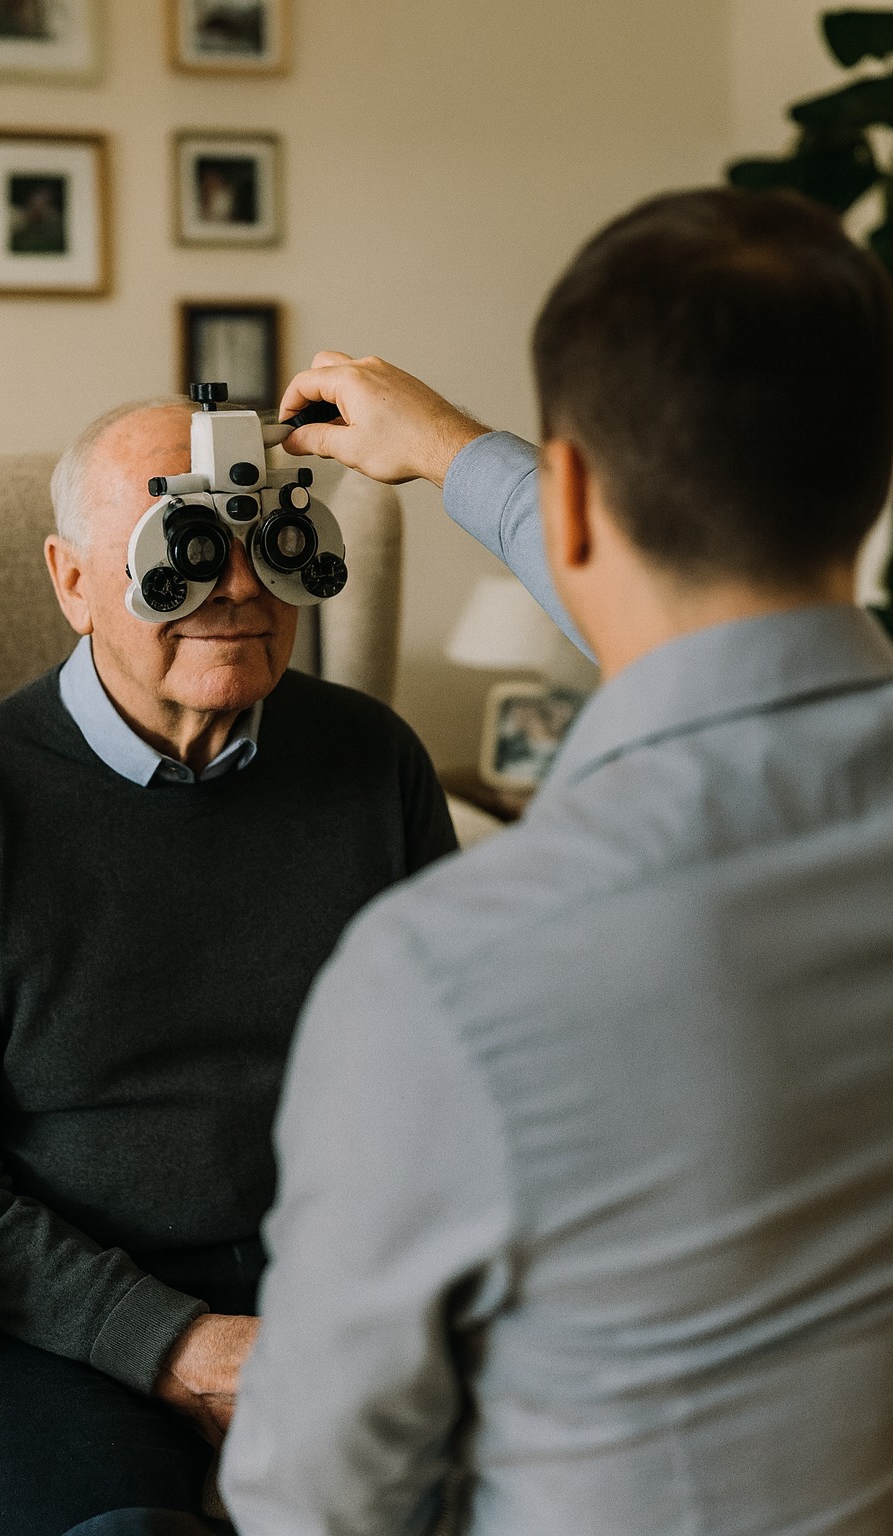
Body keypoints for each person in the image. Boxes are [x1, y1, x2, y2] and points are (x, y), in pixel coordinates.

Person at [220, 188, 893, 1534]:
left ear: (575, 495)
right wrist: (455, 451)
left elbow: (317, 1500)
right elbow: (715, 651)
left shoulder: (448, 974)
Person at [0, 398, 456, 1536]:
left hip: (333, 1287)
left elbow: (453, 1083)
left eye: (264, 539)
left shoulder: (374, 762)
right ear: (73, 581)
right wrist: (176, 1343)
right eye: (182, 546)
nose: (235, 587)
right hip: (58, 1323)